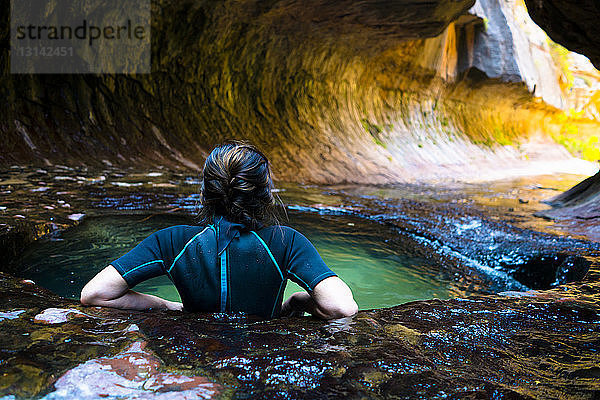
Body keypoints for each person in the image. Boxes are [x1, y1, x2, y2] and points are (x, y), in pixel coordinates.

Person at [80, 141, 358, 320]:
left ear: (203, 195)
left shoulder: (172, 241)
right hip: (260, 359)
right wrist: (298, 302)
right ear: (268, 197)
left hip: (197, 357)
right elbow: (342, 308)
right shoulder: (287, 242)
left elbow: (96, 294)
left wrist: (167, 306)